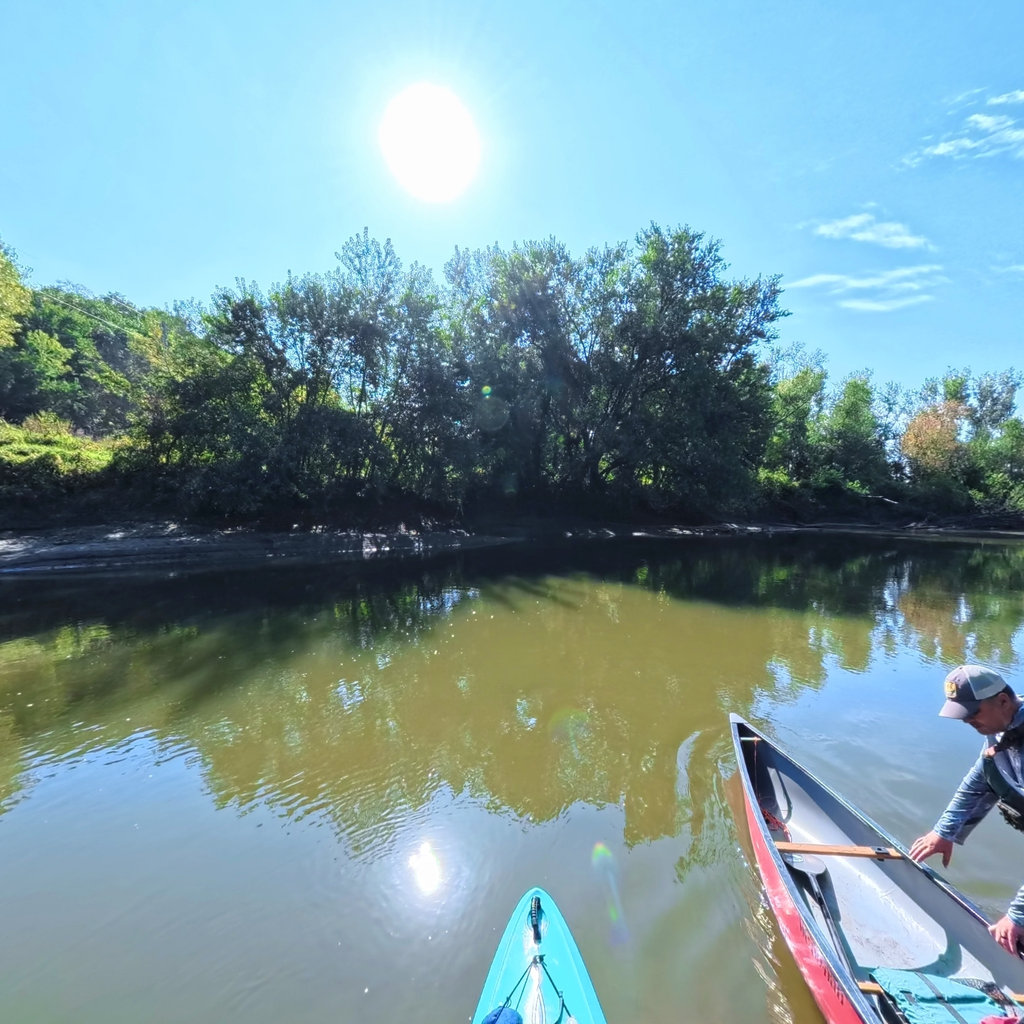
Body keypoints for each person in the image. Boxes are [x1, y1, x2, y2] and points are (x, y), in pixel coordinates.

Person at [909, 664, 1024, 953]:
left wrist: (1018, 915)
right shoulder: (1005, 727)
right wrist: (944, 832)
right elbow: (981, 778)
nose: (967, 721)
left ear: (1003, 701)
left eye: (973, 713)